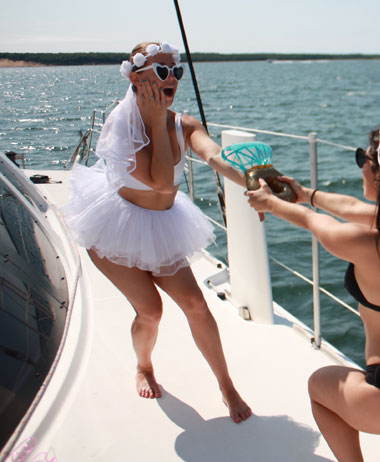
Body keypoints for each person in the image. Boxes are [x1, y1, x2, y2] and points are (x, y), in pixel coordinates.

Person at [246, 107, 380, 460]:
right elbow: (349, 207)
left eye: (365, 158)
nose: (360, 165)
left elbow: (314, 224)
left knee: (318, 387)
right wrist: (304, 192)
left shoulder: (368, 244)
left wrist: (270, 202)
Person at [62, 41, 251, 423]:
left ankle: (226, 385)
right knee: (151, 311)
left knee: (197, 305)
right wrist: (154, 123)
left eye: (175, 72)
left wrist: (256, 182)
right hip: (115, 227)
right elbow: (163, 184)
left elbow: (215, 156)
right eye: (162, 72)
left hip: (162, 226)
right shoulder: (122, 124)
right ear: (136, 78)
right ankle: (144, 366)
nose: (172, 80)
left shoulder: (183, 123)